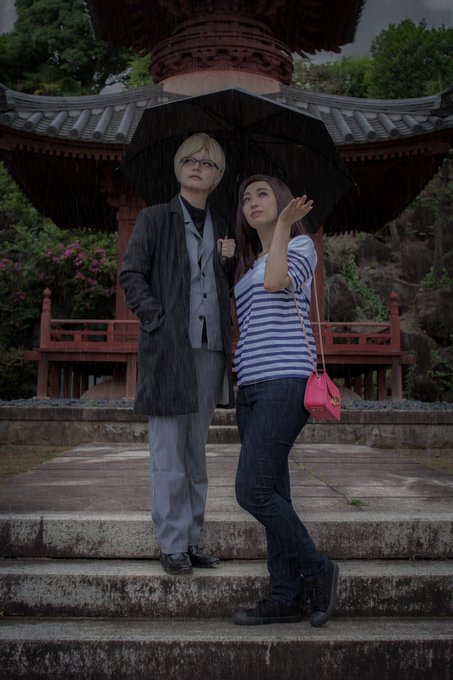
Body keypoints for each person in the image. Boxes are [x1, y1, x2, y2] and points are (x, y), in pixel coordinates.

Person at [119, 133, 236, 575]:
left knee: (195, 450)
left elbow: (228, 288)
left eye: (207, 163)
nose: (196, 166)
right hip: (169, 348)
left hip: (209, 349)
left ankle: (190, 540)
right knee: (167, 448)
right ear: (178, 168)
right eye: (189, 160)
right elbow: (131, 274)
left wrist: (227, 262)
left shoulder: (222, 226)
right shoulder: (154, 218)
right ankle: (171, 543)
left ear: (217, 176)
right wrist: (157, 319)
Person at [232, 175, 339, 627]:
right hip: (250, 388)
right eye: (245, 198)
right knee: (274, 492)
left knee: (251, 491)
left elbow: (277, 282)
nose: (252, 202)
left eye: (262, 194)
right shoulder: (248, 265)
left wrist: (282, 228)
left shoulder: (299, 247)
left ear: (282, 202)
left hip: (285, 382)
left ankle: (318, 569)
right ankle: (285, 596)